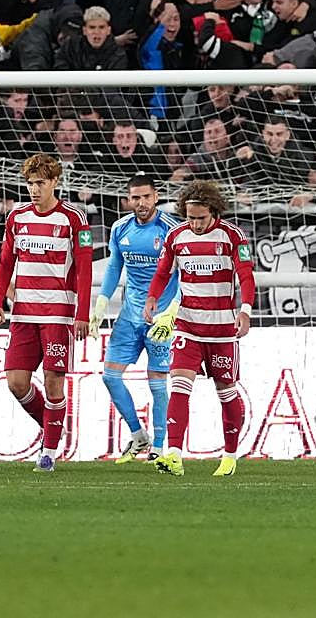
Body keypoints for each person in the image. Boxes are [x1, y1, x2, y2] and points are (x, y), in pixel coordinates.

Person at [145, 180, 256, 478]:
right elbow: (162, 273)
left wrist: (244, 312)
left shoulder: (233, 236)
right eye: (190, 217)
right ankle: (174, 455)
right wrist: (152, 299)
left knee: (226, 391)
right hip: (188, 327)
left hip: (222, 330)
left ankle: (230, 456)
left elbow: (246, 277)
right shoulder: (176, 237)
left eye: (201, 218)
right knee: (179, 386)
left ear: (214, 212)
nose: (194, 223)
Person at [0, 154, 93, 473]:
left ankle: (48, 451)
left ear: (54, 183)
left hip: (58, 314)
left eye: (40, 183)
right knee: (16, 383)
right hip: (22, 313)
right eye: (30, 183)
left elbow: (85, 270)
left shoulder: (74, 218)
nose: (34, 190)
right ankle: (54, 426)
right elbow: (5, 261)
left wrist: (82, 313)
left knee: (53, 382)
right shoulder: (17, 216)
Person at [90, 175, 181, 463]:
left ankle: (158, 444)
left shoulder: (171, 230)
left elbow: (183, 273)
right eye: (135, 198)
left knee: (157, 382)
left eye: (146, 197)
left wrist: (171, 313)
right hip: (129, 316)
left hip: (160, 318)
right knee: (110, 376)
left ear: (156, 197)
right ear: (128, 199)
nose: (140, 203)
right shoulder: (120, 228)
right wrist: (101, 304)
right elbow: (115, 266)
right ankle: (137, 434)